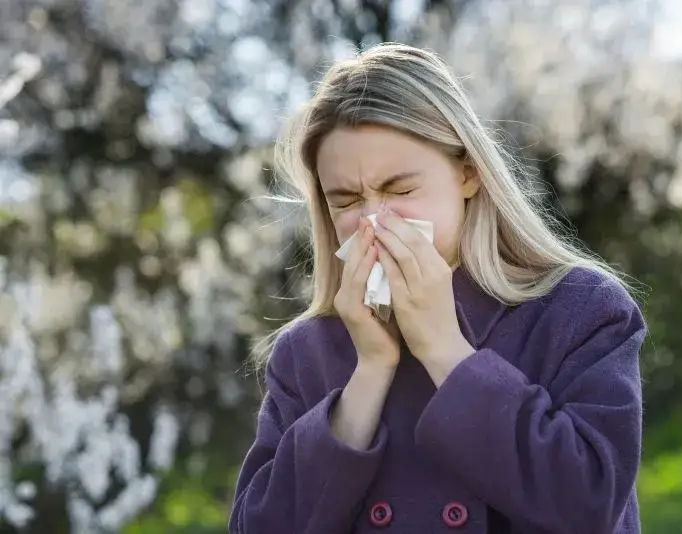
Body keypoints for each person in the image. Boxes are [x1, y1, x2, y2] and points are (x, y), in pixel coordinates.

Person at [229, 42, 647, 534]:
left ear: (468, 172)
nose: (373, 220)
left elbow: (587, 503)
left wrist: (443, 348)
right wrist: (369, 373)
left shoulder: (580, 310)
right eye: (345, 200)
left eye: (400, 190)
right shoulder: (306, 352)